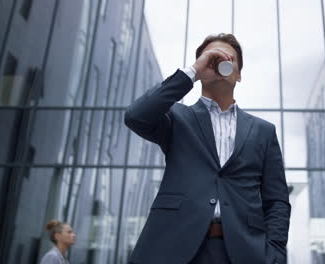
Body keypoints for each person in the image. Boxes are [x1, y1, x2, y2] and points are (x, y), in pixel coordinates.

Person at [124, 33, 291, 264]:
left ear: (239, 74)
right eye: (212, 58)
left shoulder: (263, 131)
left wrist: (274, 252)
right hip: (174, 248)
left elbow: (277, 201)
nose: (221, 62)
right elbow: (136, 116)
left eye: (229, 59)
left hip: (245, 252)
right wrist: (192, 72)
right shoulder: (177, 118)